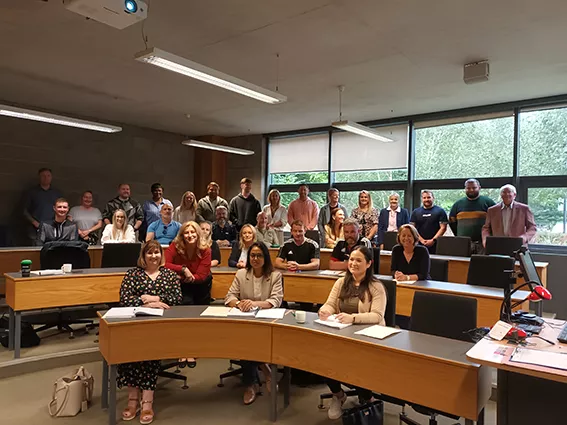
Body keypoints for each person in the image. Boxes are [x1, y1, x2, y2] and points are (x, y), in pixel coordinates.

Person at [118, 240, 182, 424]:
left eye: (157, 253)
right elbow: (124, 298)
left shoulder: (169, 275)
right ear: (143, 256)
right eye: (150, 253)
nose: (154, 256)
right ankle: (132, 399)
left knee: (149, 355)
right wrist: (145, 303)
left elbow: (177, 298)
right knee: (130, 352)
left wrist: (155, 298)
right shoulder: (133, 274)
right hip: (135, 325)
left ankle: (146, 402)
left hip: (161, 326)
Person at [318, 245, 386, 420]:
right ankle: (338, 395)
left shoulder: (375, 286)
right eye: (351, 259)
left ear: (369, 264)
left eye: (358, 260)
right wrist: (324, 310)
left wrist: (353, 318)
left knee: (356, 362)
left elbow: (377, 316)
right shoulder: (341, 281)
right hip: (342, 332)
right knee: (321, 358)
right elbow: (330, 303)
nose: (353, 263)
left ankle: (366, 397)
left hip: (367, 336)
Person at [224, 242, 283, 405]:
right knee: (246, 341)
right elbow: (229, 297)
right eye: (252, 255)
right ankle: (255, 380)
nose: (255, 259)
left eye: (259, 255)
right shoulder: (242, 274)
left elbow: (276, 300)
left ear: (265, 257)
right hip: (246, 321)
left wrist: (255, 304)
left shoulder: (275, 276)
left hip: (267, 321)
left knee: (248, 345)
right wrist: (239, 304)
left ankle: (253, 382)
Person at [165, 221, 212, 306]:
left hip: (201, 285)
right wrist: (183, 269)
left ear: (198, 233)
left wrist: (184, 277)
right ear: (182, 235)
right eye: (186, 233)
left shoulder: (206, 250)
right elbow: (164, 264)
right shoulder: (175, 246)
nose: (190, 235)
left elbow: (201, 276)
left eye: (193, 232)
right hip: (181, 285)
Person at [449, 179, 496, 254]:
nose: (471, 190)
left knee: (482, 264)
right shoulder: (457, 204)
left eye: (474, 188)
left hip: (482, 243)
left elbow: (496, 222)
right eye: (468, 188)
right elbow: (452, 223)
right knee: (462, 264)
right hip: (463, 243)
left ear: (479, 188)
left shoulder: (488, 202)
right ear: (465, 189)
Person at [24, 168, 62, 244]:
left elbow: (61, 209)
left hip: (52, 228)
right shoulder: (32, 192)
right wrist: (34, 222)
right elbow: (24, 211)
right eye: (43, 176)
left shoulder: (57, 193)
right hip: (35, 229)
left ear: (51, 177)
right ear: (39, 177)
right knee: (36, 252)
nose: (46, 178)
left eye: (48, 176)